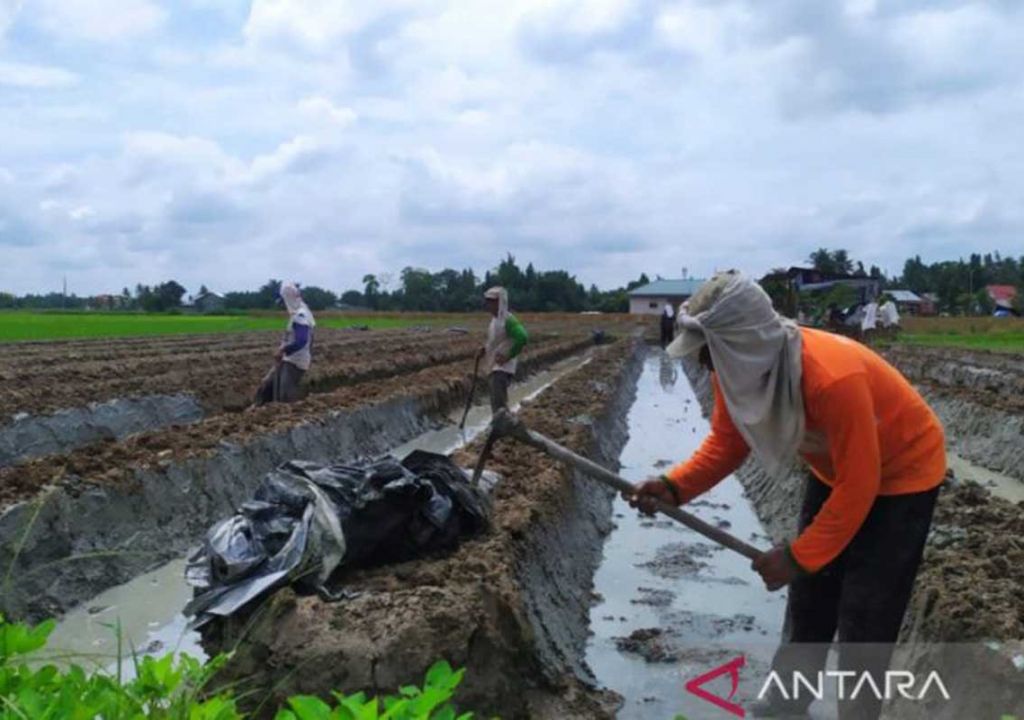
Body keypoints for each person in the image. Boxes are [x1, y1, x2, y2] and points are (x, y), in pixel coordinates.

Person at [625, 271, 946, 720]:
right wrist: (675, 487)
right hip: (838, 469)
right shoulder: (736, 368)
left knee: (866, 610)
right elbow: (727, 442)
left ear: (741, 341)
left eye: (707, 353)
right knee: (810, 598)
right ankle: (787, 703)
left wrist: (798, 556)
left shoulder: (832, 378)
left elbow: (862, 484)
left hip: (903, 474)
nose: (703, 365)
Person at [254, 282, 315, 405]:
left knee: (285, 395)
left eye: (283, 301)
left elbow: (302, 341)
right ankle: (261, 409)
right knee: (269, 385)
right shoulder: (301, 313)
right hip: (289, 359)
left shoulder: (300, 316)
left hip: (295, 361)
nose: (282, 305)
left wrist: (283, 350)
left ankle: (288, 417)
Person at [478, 286, 528, 413]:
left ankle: (503, 425)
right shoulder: (495, 321)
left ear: (500, 302)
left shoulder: (508, 320)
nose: (488, 304)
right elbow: (496, 341)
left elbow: (522, 337)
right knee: (496, 401)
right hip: (495, 366)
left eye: (492, 301)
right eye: (487, 301)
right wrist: (485, 349)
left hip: (501, 368)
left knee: (499, 402)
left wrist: (508, 356)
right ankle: (500, 424)